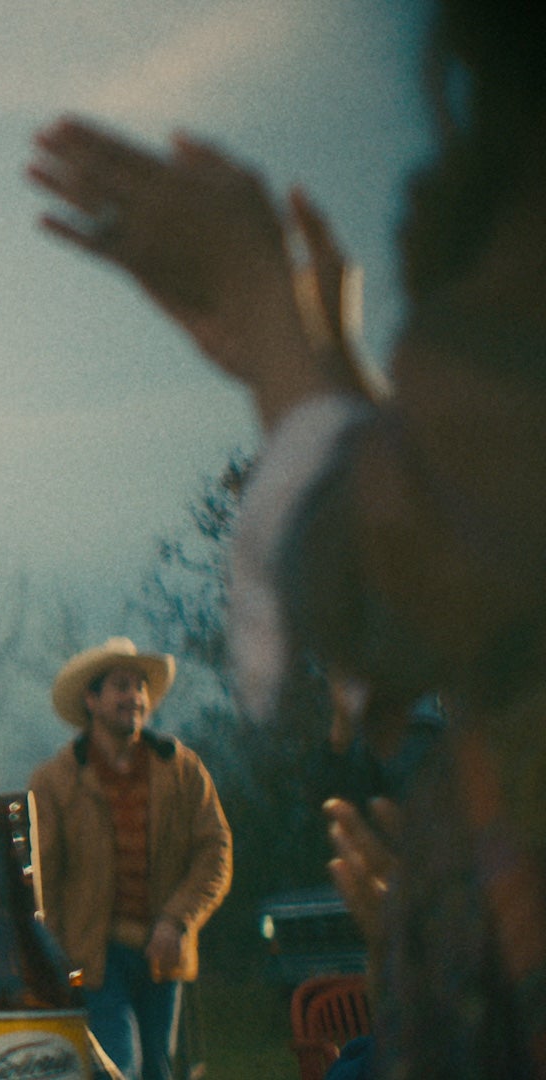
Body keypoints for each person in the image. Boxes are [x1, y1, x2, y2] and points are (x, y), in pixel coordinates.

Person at [27, 2, 546, 1074]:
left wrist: (275, 335)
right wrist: (318, 369)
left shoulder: (182, 776)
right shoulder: (56, 780)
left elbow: (420, 572)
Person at [26, 638, 231, 1080]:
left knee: (161, 1069)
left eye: (140, 688)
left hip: (164, 951)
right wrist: (54, 961)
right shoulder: (55, 781)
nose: (135, 698)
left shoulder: (181, 768)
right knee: (119, 1067)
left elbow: (215, 850)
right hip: (93, 958)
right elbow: (41, 877)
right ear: (91, 699)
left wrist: (177, 919)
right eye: (121, 686)